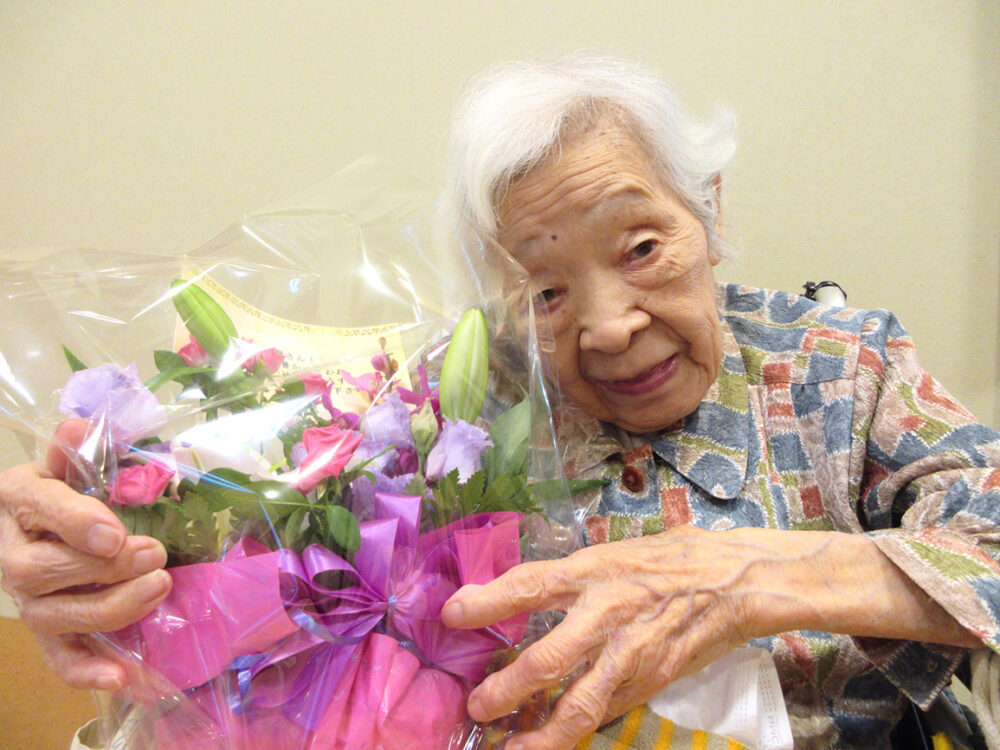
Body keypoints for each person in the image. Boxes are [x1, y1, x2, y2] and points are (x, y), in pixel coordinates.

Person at [1, 56, 999, 749]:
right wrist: (117, 556)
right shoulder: (445, 411)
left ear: (710, 208)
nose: (607, 326)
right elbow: (276, 610)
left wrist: (763, 578)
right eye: (544, 290)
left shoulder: (835, 367)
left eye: (641, 245)